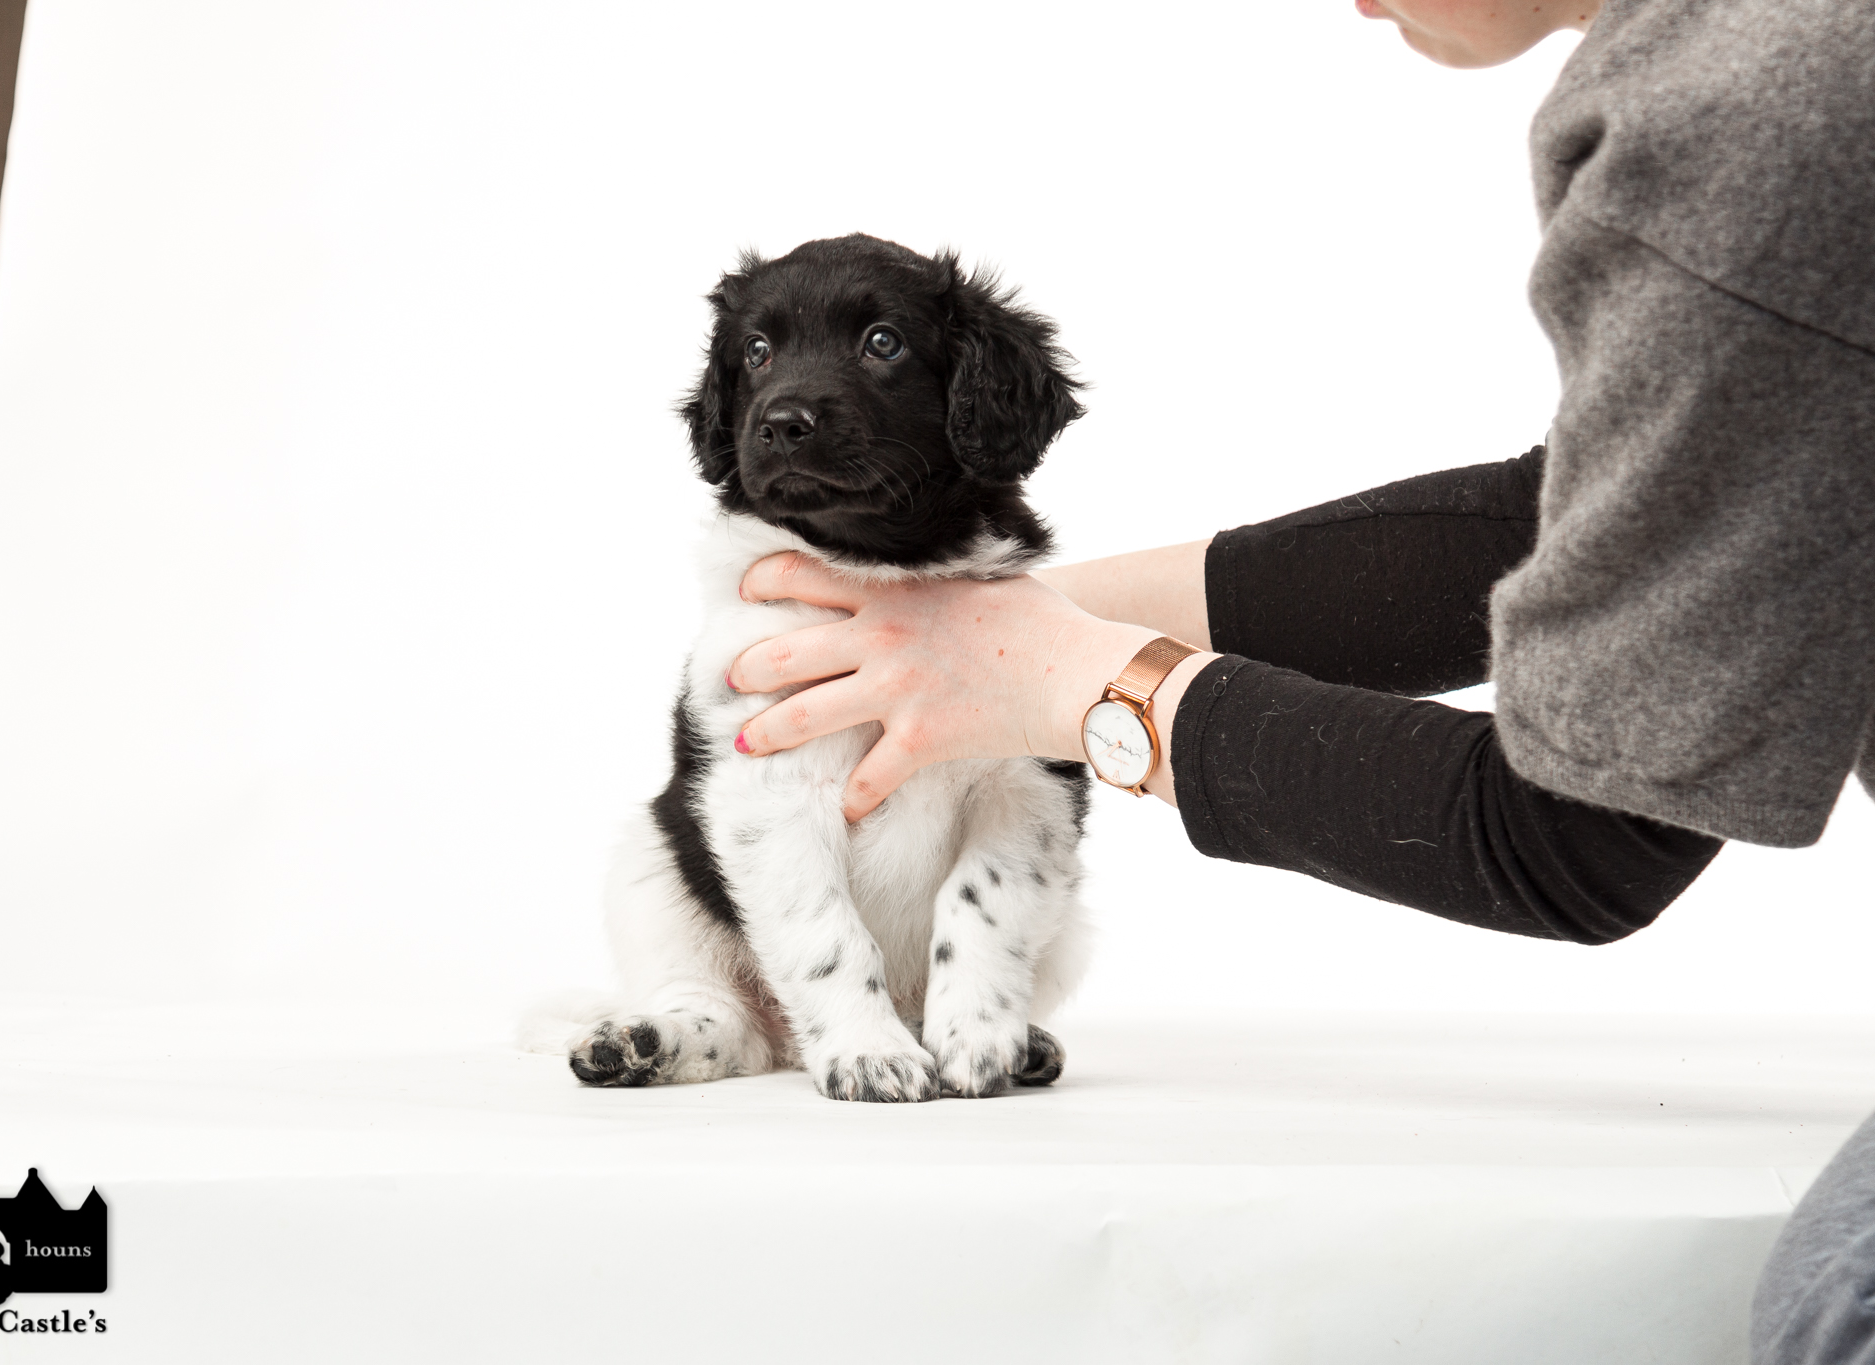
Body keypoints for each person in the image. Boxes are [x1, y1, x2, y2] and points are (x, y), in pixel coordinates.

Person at [718, 2, 1875, 1362]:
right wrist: (1002, 621)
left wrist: (1099, 692)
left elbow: (1579, 836)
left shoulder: (1745, 116)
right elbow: (1635, 503)